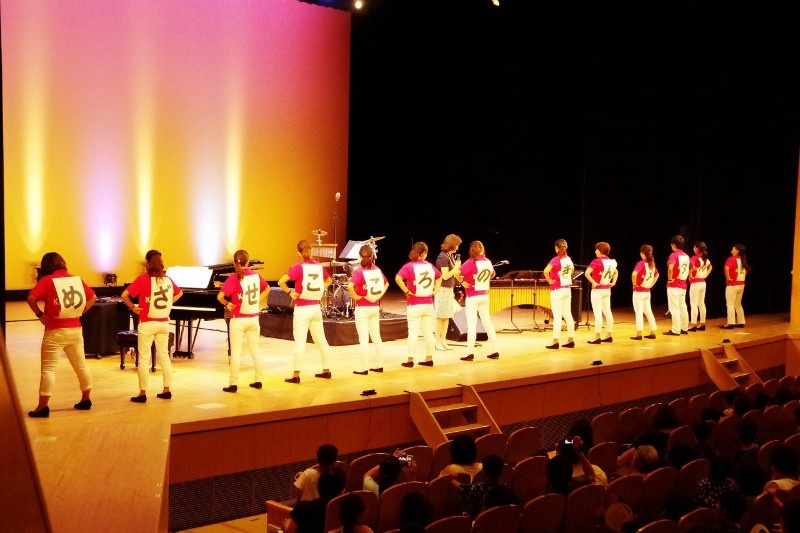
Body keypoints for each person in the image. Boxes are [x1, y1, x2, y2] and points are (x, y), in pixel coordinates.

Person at [26, 252, 97, 417]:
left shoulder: (47, 280)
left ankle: (42, 407)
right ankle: (86, 399)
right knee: (81, 366)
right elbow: (93, 297)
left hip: (54, 330)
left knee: (48, 369)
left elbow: (31, 298)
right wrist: (81, 311)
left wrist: (40, 315)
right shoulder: (76, 279)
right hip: (75, 329)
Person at [121, 249, 183, 403]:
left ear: (147, 263)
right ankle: (166, 390)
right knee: (164, 357)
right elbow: (180, 293)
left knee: (143, 359)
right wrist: (169, 302)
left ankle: (142, 393)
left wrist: (132, 307)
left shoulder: (143, 279)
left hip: (147, 323)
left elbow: (124, 295)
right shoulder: (167, 280)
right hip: (163, 323)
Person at [278, 240, 333, 383]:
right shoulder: (319, 267)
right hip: (315, 308)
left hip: (302, 309)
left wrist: (290, 293)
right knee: (322, 341)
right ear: (311, 251)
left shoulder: (298, 266)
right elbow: (329, 281)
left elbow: (281, 282)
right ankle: (326, 370)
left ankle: (296, 374)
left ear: (299, 253)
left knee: (300, 343)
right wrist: (320, 289)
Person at [216, 249, 269, 392]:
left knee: (236, 353)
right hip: (253, 318)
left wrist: (227, 304)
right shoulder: (256, 276)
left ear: (235, 263)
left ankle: (233, 383)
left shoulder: (234, 278)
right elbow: (267, 289)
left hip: (238, 319)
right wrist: (257, 300)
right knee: (256, 351)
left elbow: (220, 296)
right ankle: (258, 380)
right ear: (248, 262)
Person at [395, 242, 442, 368]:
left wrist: (406, 291)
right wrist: (436, 290)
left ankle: (410, 360)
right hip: (428, 304)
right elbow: (439, 277)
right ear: (424, 253)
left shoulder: (409, 266)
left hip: (414, 304)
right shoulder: (430, 266)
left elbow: (398, 278)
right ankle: (429, 358)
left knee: (413, 332)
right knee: (428, 332)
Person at [347, 244, 389, 375]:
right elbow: (386, 283)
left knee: (363, 338)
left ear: (360, 256)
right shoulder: (377, 270)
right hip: (374, 307)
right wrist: (379, 296)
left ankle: (364, 367)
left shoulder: (359, 272)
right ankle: (379, 364)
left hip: (363, 308)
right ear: (372, 256)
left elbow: (350, 286)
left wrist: (356, 297)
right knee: (376, 337)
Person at [458, 240, 500, 361]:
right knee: (488, 323)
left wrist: (462, 281)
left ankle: (469, 353)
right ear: (482, 249)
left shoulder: (471, 262)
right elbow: (492, 274)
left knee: (472, 325)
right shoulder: (487, 261)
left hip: (472, 296)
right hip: (484, 295)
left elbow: (457, 273)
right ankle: (495, 350)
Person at [450, 453, 515, 519]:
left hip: (484, 522)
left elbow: (464, 489)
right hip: (502, 520)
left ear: (483, 471)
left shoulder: (479, 487)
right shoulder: (506, 488)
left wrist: (453, 480)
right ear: (502, 471)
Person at [284, 466, 347, 533]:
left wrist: (286, 525)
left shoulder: (303, 508)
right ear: (342, 490)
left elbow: (289, 531)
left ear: (319, 484)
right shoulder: (346, 511)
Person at [543, 238, 575, 349]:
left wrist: (549, 280)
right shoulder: (568, 259)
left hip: (557, 290)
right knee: (568, 315)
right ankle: (571, 340)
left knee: (557, 316)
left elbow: (546, 271)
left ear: (556, 248)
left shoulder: (555, 260)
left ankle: (555, 341)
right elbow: (572, 270)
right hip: (567, 289)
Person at [433, 234, 463, 352]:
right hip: (442, 289)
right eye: (457, 244)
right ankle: (437, 342)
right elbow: (445, 276)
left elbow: (454, 273)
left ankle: (443, 340)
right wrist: (456, 267)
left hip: (449, 289)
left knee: (446, 317)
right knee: (440, 317)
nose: (458, 247)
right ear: (452, 244)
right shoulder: (442, 257)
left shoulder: (450, 256)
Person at [584, 241, 618, 344]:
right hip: (607, 289)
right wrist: (613, 282)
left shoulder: (596, 261)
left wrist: (594, 282)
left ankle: (597, 336)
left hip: (598, 290)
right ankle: (609, 335)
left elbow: (587, 273)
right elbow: (616, 272)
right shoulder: (612, 262)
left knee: (598, 313)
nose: (595, 252)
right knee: (608, 312)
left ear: (599, 251)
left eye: (596, 250)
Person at [630, 244, 659, 340]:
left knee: (638, 312)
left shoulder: (641, 263)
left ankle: (639, 333)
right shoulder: (652, 263)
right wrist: (651, 284)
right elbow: (657, 275)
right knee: (648, 312)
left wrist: (634, 284)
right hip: (647, 291)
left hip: (639, 292)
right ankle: (653, 332)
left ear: (642, 253)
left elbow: (634, 274)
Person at [664, 234, 690, 336]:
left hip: (674, 285)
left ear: (674, 245)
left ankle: (675, 330)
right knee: (683, 307)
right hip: (683, 285)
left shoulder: (673, 255)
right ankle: (684, 328)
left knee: (674, 308)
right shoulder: (686, 256)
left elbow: (670, 268)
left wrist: (670, 279)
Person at [721, 243, 751, 329]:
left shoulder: (731, 259)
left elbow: (726, 268)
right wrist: (742, 277)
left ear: (737, 250)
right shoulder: (742, 259)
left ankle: (730, 323)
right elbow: (746, 270)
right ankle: (741, 322)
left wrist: (728, 278)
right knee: (738, 304)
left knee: (730, 304)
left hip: (732, 285)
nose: (732, 249)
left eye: (733, 248)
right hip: (741, 284)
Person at [688, 241, 712, 332]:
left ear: (697, 248)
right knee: (701, 304)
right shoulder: (705, 258)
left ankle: (693, 325)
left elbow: (692, 267)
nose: (693, 249)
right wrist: (705, 275)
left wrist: (690, 274)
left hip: (695, 283)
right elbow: (710, 267)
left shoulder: (695, 258)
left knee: (694, 304)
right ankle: (702, 324)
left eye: (694, 247)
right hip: (703, 283)